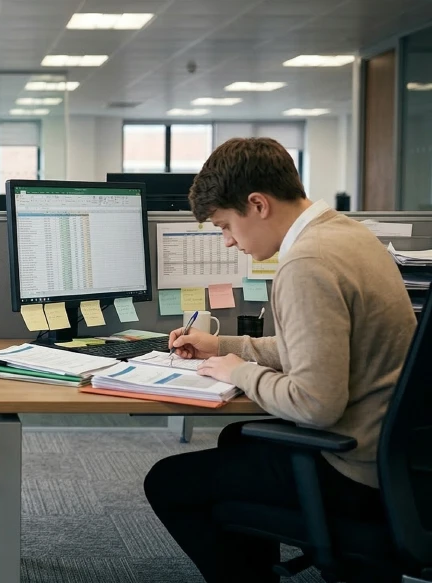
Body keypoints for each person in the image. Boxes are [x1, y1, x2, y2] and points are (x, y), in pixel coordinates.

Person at [143, 137, 415, 583]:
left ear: (257, 204)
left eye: (225, 225)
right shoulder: (345, 234)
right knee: (237, 439)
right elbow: (315, 352)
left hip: (355, 469)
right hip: (393, 458)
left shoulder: (305, 263)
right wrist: (223, 348)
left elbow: (314, 403)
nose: (228, 241)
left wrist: (242, 373)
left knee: (169, 482)